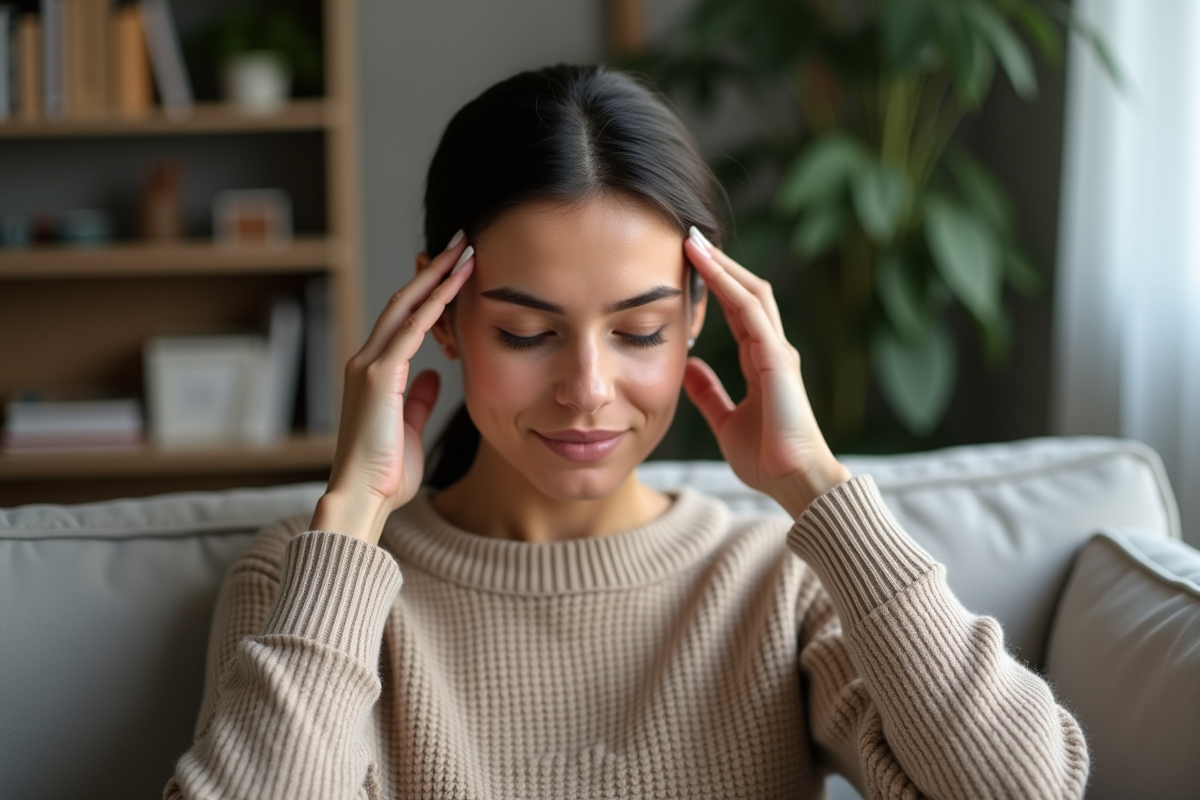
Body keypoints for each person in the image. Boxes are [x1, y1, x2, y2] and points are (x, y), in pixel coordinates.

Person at [165, 64, 1088, 799]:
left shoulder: (779, 580)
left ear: (699, 313)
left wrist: (818, 487)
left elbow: (1026, 790)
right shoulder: (312, 578)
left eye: (640, 331)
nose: (588, 390)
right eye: (527, 333)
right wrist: (354, 522)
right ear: (439, 315)